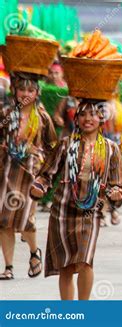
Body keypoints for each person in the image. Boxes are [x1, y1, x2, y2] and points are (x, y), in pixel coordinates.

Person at [30, 101, 122, 300]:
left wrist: (117, 193)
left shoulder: (111, 149)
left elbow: (117, 184)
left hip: (91, 212)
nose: (88, 119)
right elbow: (47, 174)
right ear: (76, 119)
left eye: (93, 114)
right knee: (66, 265)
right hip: (62, 212)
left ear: (101, 119)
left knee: (85, 261)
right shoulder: (65, 145)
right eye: (83, 115)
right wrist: (38, 186)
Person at [0, 72, 57, 280]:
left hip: (31, 174)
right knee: (4, 220)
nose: (25, 93)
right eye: (22, 89)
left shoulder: (42, 117)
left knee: (26, 219)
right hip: (6, 171)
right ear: (14, 91)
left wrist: (42, 166)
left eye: (30, 90)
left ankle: (34, 253)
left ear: (37, 93)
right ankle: (9, 267)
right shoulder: (5, 113)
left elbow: (52, 147)